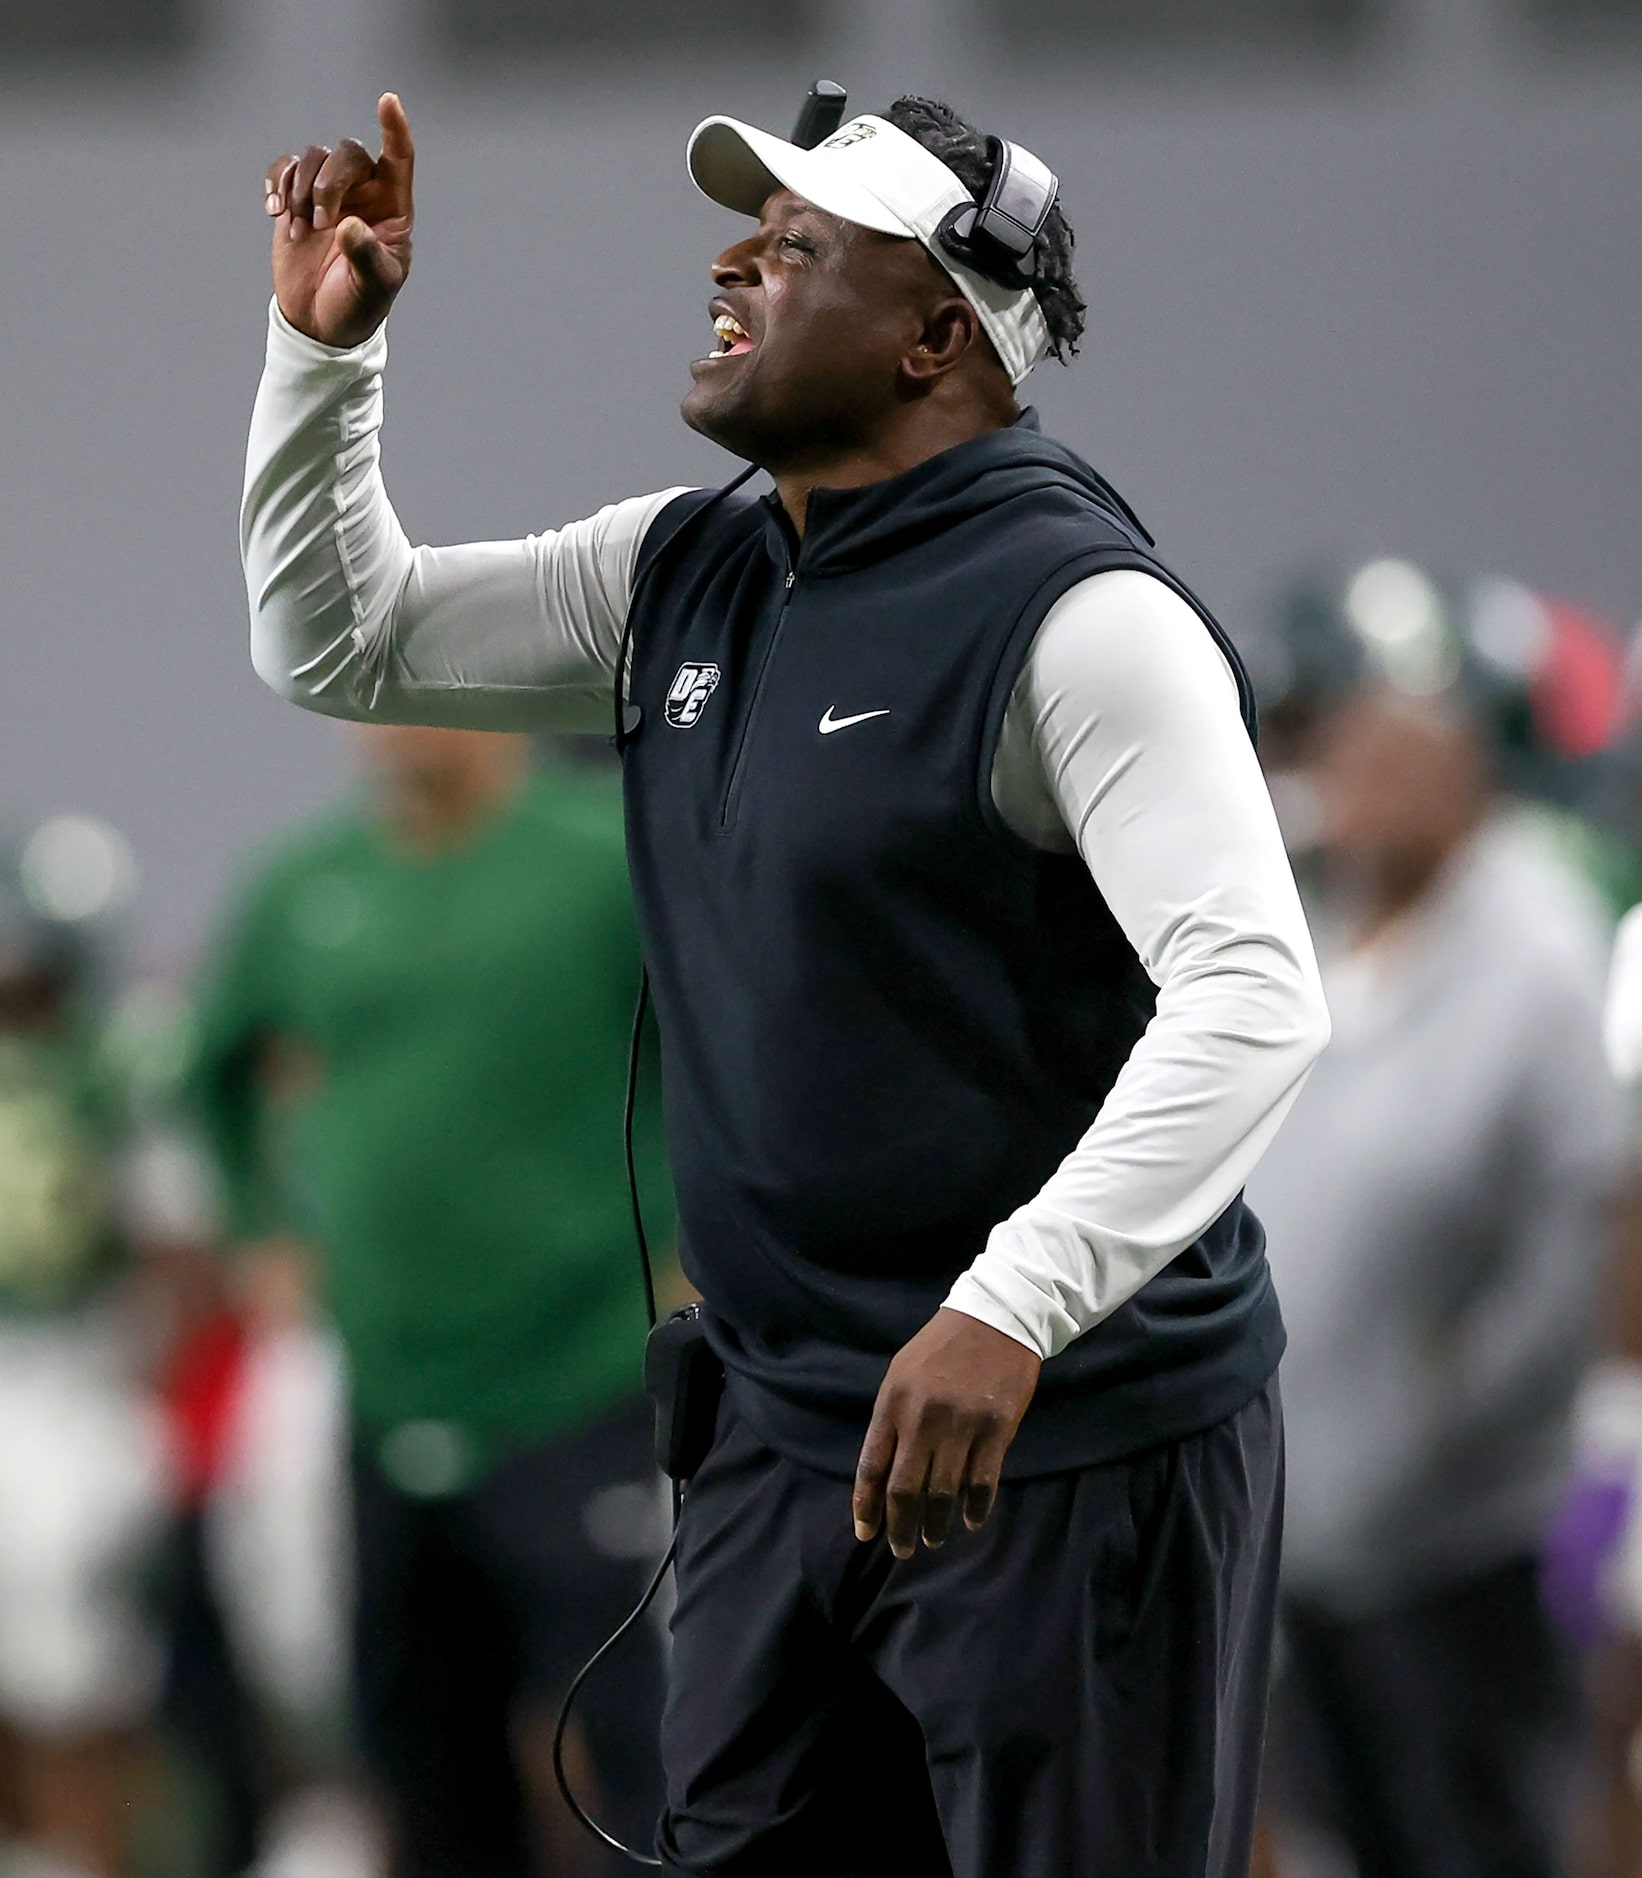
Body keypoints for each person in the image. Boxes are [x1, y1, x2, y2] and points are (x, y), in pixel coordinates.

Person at [241, 90, 1331, 1876]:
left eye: (802, 241)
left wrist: (1010, 1307)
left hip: (1062, 1442)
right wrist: (323, 356)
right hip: (778, 1441)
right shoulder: (685, 567)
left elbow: (1251, 993)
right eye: (751, 230)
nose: (737, 258)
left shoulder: (1081, 614)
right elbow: (336, 637)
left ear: (935, 334)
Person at [189, 726, 671, 1878]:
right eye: (376, 697)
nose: (398, 724)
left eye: (427, 691)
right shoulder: (306, 886)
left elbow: (729, 1040)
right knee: (424, 1762)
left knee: (643, 1749)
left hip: (585, 1375)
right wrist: (259, 1231)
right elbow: (211, 1066)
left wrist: (700, 1241)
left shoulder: (600, 855)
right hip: (390, 1385)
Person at [1248, 682, 1622, 1877]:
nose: (1355, 796)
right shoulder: (1322, 930)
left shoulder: (1537, 955)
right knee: (1338, 1830)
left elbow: (1587, 1219)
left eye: (1391, 770)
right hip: (1308, 1512)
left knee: (1468, 1833)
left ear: (1462, 783)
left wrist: (1455, 1403)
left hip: (1458, 1531)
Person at [0, 848, 172, 1878]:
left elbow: (175, 1246)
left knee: (72, 1652)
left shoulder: (115, 1066)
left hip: (78, 1368)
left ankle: (80, 1851)